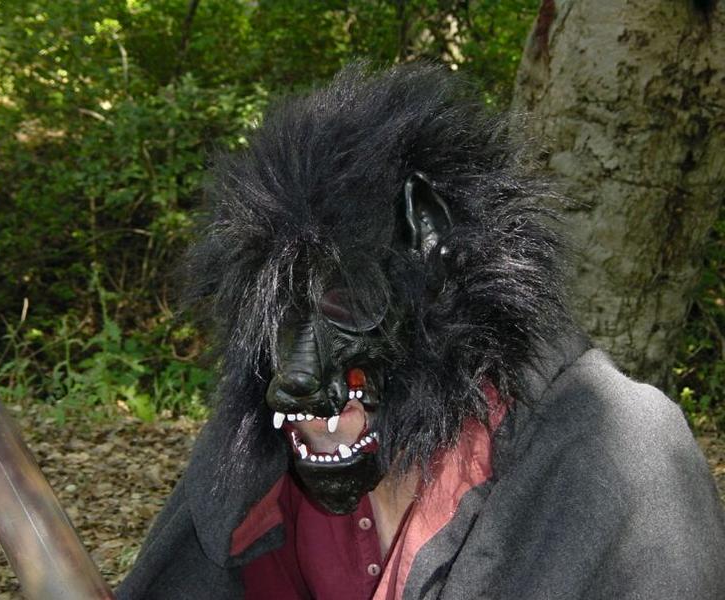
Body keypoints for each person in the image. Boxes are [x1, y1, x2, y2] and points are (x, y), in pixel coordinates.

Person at [116, 63, 725, 599]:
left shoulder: (619, 455)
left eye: (349, 304)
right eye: (278, 314)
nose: (292, 380)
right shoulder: (257, 460)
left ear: (437, 270)